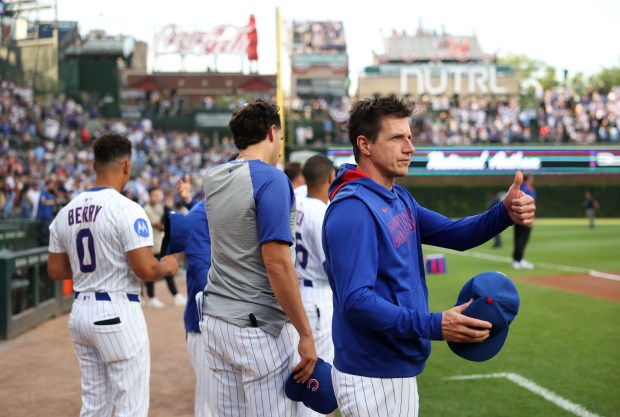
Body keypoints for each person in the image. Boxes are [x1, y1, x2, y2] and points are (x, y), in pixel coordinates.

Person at [321, 95, 536, 417]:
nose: (410, 148)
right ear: (364, 144)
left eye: (409, 137)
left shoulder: (398, 197)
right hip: (372, 371)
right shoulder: (353, 208)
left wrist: (503, 213)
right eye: (397, 138)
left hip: (396, 363)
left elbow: (456, 234)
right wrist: (435, 325)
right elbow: (356, 301)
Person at [47, 132, 179, 417]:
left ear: (94, 166)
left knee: (94, 403)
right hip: (118, 309)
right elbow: (146, 269)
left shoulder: (65, 211)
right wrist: (168, 265)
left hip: (81, 310)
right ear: (127, 166)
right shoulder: (127, 209)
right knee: (131, 405)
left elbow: (56, 271)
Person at [201, 100, 317, 416]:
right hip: (256, 324)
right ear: (271, 132)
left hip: (215, 319)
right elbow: (276, 263)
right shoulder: (272, 178)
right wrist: (305, 332)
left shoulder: (213, 177)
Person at [294, 154, 338, 417]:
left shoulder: (297, 204)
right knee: (318, 381)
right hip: (318, 295)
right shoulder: (322, 212)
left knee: (303, 372)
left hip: (298, 291)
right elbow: (329, 266)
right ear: (330, 178)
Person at [143, 185, 186, 307]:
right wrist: (167, 213)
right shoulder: (147, 209)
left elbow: (171, 220)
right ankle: (152, 297)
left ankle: (174, 295)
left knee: (166, 269)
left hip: (162, 243)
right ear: (149, 196)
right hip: (153, 244)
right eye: (154, 195)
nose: (157, 197)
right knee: (153, 270)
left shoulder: (160, 206)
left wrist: (168, 210)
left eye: (158, 195)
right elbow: (160, 225)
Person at [512, 174, 536, 269]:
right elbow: (532, 203)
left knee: (517, 238)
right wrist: (531, 219)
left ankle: (517, 259)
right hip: (526, 217)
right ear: (529, 179)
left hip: (516, 216)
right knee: (523, 239)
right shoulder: (529, 188)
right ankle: (518, 260)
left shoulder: (519, 188)